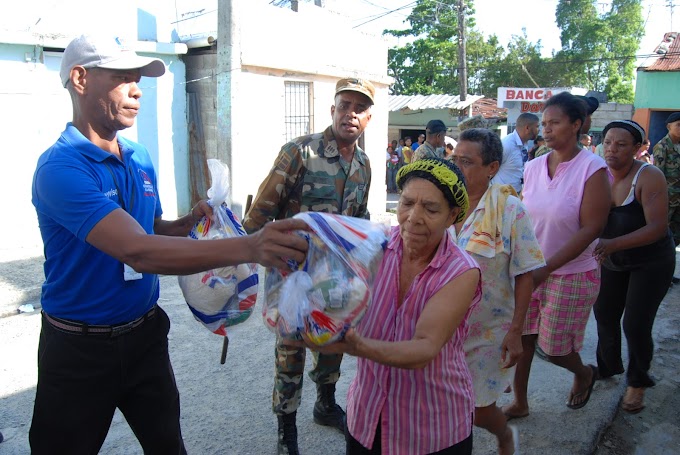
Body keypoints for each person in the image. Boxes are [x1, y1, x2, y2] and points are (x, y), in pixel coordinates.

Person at [29, 34, 309, 455]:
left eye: (138, 78)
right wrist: (250, 247)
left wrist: (188, 222)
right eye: (123, 78)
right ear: (80, 79)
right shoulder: (60, 169)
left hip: (144, 336)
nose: (137, 89)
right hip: (78, 350)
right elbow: (137, 251)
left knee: (167, 446)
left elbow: (151, 228)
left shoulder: (138, 156)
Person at [298, 157, 481, 454]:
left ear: (453, 216)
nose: (413, 218)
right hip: (368, 418)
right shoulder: (374, 244)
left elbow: (424, 348)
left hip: (432, 427)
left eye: (431, 208)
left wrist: (355, 346)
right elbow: (326, 262)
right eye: (407, 203)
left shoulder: (461, 271)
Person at [242, 77, 374, 455]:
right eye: (344, 105)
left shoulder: (363, 164)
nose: (350, 113)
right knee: (291, 349)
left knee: (334, 341)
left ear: (368, 118)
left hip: (335, 275)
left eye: (359, 108)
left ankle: (325, 404)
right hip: (292, 274)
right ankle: (286, 429)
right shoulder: (300, 152)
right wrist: (244, 257)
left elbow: (359, 219)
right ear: (332, 110)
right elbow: (261, 212)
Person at [503, 92, 611, 419]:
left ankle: (584, 372)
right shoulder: (534, 165)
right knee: (522, 338)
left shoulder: (593, 168)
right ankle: (520, 402)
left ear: (576, 125)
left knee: (554, 348)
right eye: (544, 124)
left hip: (572, 273)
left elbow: (591, 228)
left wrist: (546, 269)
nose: (546, 130)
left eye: (555, 123)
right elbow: (524, 217)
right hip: (530, 270)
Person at [451, 129, 545, 455]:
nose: (458, 167)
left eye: (467, 162)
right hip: (441, 324)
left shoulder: (509, 210)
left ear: (491, 167)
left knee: (478, 409)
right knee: (446, 400)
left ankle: (504, 435)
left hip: (487, 330)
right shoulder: (442, 204)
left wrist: (517, 330)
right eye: (455, 160)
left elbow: (524, 273)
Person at [593, 120, 675, 413]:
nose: (612, 149)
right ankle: (608, 367)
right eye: (608, 142)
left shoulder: (649, 176)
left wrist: (611, 244)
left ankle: (638, 381)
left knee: (636, 323)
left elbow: (656, 227)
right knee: (604, 313)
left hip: (651, 261)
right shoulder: (597, 174)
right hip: (613, 259)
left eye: (622, 144)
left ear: (639, 149)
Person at [652, 112, 680, 247]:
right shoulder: (662, 146)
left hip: (678, 198)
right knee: (663, 230)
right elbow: (657, 174)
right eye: (678, 125)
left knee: (676, 232)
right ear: (669, 126)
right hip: (668, 198)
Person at [493, 113, 539, 193]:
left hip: (515, 196)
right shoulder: (507, 144)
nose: (539, 130)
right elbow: (489, 169)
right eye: (537, 127)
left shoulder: (524, 144)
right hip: (501, 197)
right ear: (527, 128)